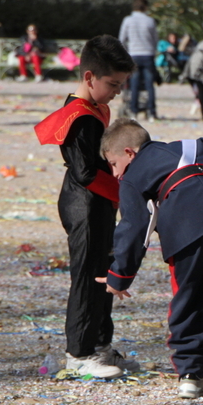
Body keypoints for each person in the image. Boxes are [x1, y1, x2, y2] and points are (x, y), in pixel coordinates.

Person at [95, 119, 203, 401]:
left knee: (188, 297)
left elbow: (133, 227)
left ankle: (191, 376)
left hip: (186, 223)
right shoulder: (199, 144)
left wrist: (119, 276)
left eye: (113, 163)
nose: (115, 173)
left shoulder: (133, 177)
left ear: (129, 152)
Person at [34, 35, 139, 379]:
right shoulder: (80, 115)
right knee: (86, 277)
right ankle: (78, 352)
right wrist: (128, 193)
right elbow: (85, 172)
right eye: (113, 84)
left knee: (103, 275)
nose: (118, 92)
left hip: (99, 202)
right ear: (90, 77)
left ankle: (100, 345)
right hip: (85, 203)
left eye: (122, 84)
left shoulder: (93, 108)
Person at [118, 0, 160, 122]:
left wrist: (126, 52)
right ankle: (151, 112)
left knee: (134, 84)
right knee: (149, 85)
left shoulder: (128, 20)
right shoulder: (150, 20)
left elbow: (122, 38)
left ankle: (134, 112)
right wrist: (153, 51)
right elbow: (155, 39)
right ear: (145, 7)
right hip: (148, 54)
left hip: (134, 55)